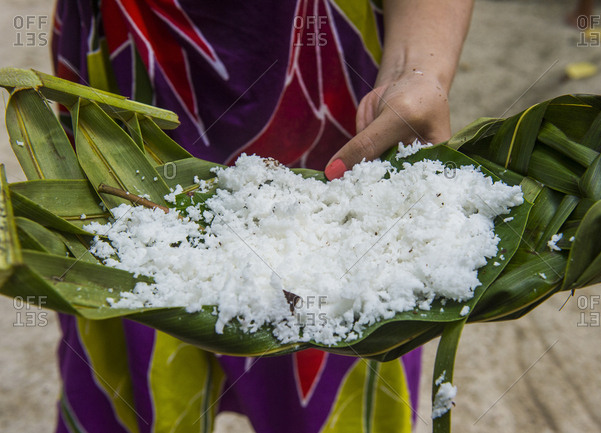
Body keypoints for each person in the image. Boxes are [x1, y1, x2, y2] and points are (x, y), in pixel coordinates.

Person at [51, 1, 473, 432]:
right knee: (134, 351)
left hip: (328, 76)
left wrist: (416, 69)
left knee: (331, 334)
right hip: (127, 69)